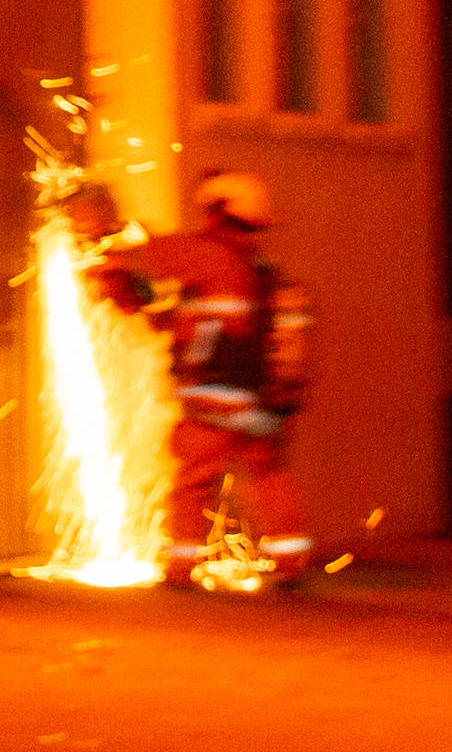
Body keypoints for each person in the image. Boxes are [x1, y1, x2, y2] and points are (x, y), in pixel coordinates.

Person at [92, 170, 317, 587]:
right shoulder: (256, 270)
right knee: (269, 476)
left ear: (217, 214)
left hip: (215, 398)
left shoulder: (206, 254)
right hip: (259, 400)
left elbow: (146, 258)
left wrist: (104, 239)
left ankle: (180, 568)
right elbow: (192, 319)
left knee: (194, 482)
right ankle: (291, 563)